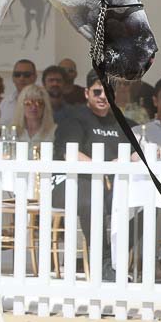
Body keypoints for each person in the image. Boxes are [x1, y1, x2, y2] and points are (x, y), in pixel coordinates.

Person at [54, 71, 128, 282]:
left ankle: (116, 257)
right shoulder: (73, 119)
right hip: (67, 183)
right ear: (87, 93)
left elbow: (134, 153)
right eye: (97, 91)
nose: (103, 96)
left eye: (108, 92)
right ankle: (101, 261)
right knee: (92, 196)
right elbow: (70, 154)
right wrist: (105, 167)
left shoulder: (121, 122)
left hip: (107, 186)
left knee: (143, 202)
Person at [3, 60, 37, 126]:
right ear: (13, 78)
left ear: (35, 77)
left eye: (26, 75)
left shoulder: (42, 101)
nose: (21, 78)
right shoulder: (5, 102)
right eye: (17, 74)